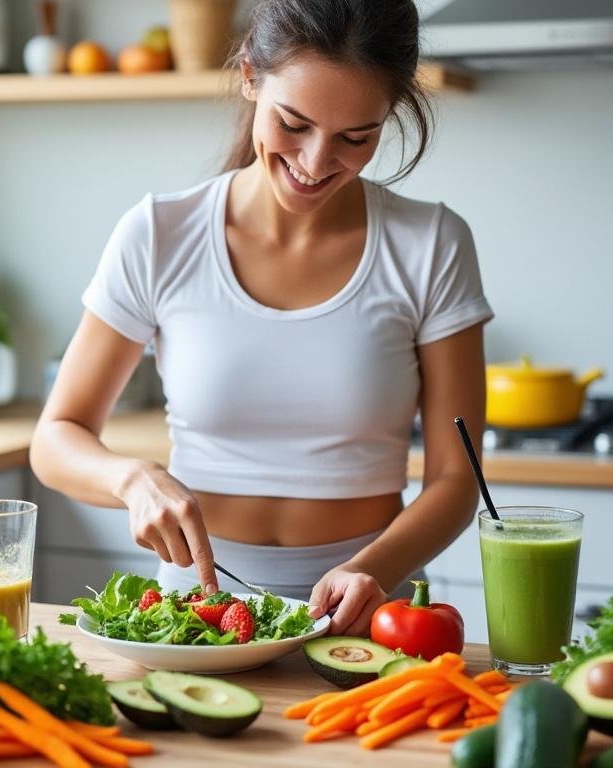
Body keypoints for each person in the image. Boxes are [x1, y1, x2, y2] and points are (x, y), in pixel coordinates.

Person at [30, 0, 491, 636]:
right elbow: (56, 438)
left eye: (356, 137)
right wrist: (131, 479)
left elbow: (456, 477)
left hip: (370, 609)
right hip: (197, 609)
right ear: (251, 76)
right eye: (293, 124)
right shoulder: (159, 233)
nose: (315, 161)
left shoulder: (431, 243)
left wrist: (374, 570)